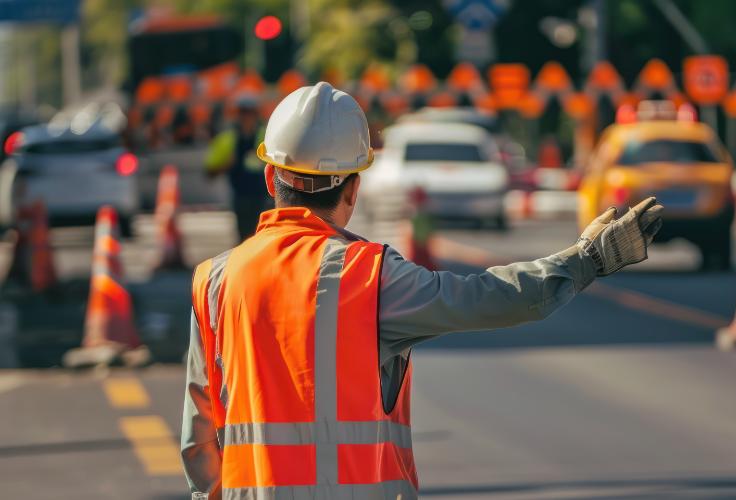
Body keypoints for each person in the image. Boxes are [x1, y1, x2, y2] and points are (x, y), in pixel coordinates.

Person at [181, 82, 664, 500]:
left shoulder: (214, 280)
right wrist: (587, 259)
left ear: (271, 176)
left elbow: (198, 440)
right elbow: (489, 297)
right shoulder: (367, 275)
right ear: (352, 190)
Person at [204, 95, 271, 240]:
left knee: (263, 237)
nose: (246, 117)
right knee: (244, 237)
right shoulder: (226, 139)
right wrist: (226, 165)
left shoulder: (267, 136)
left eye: (249, 112)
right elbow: (209, 172)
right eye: (243, 112)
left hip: (264, 198)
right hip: (240, 197)